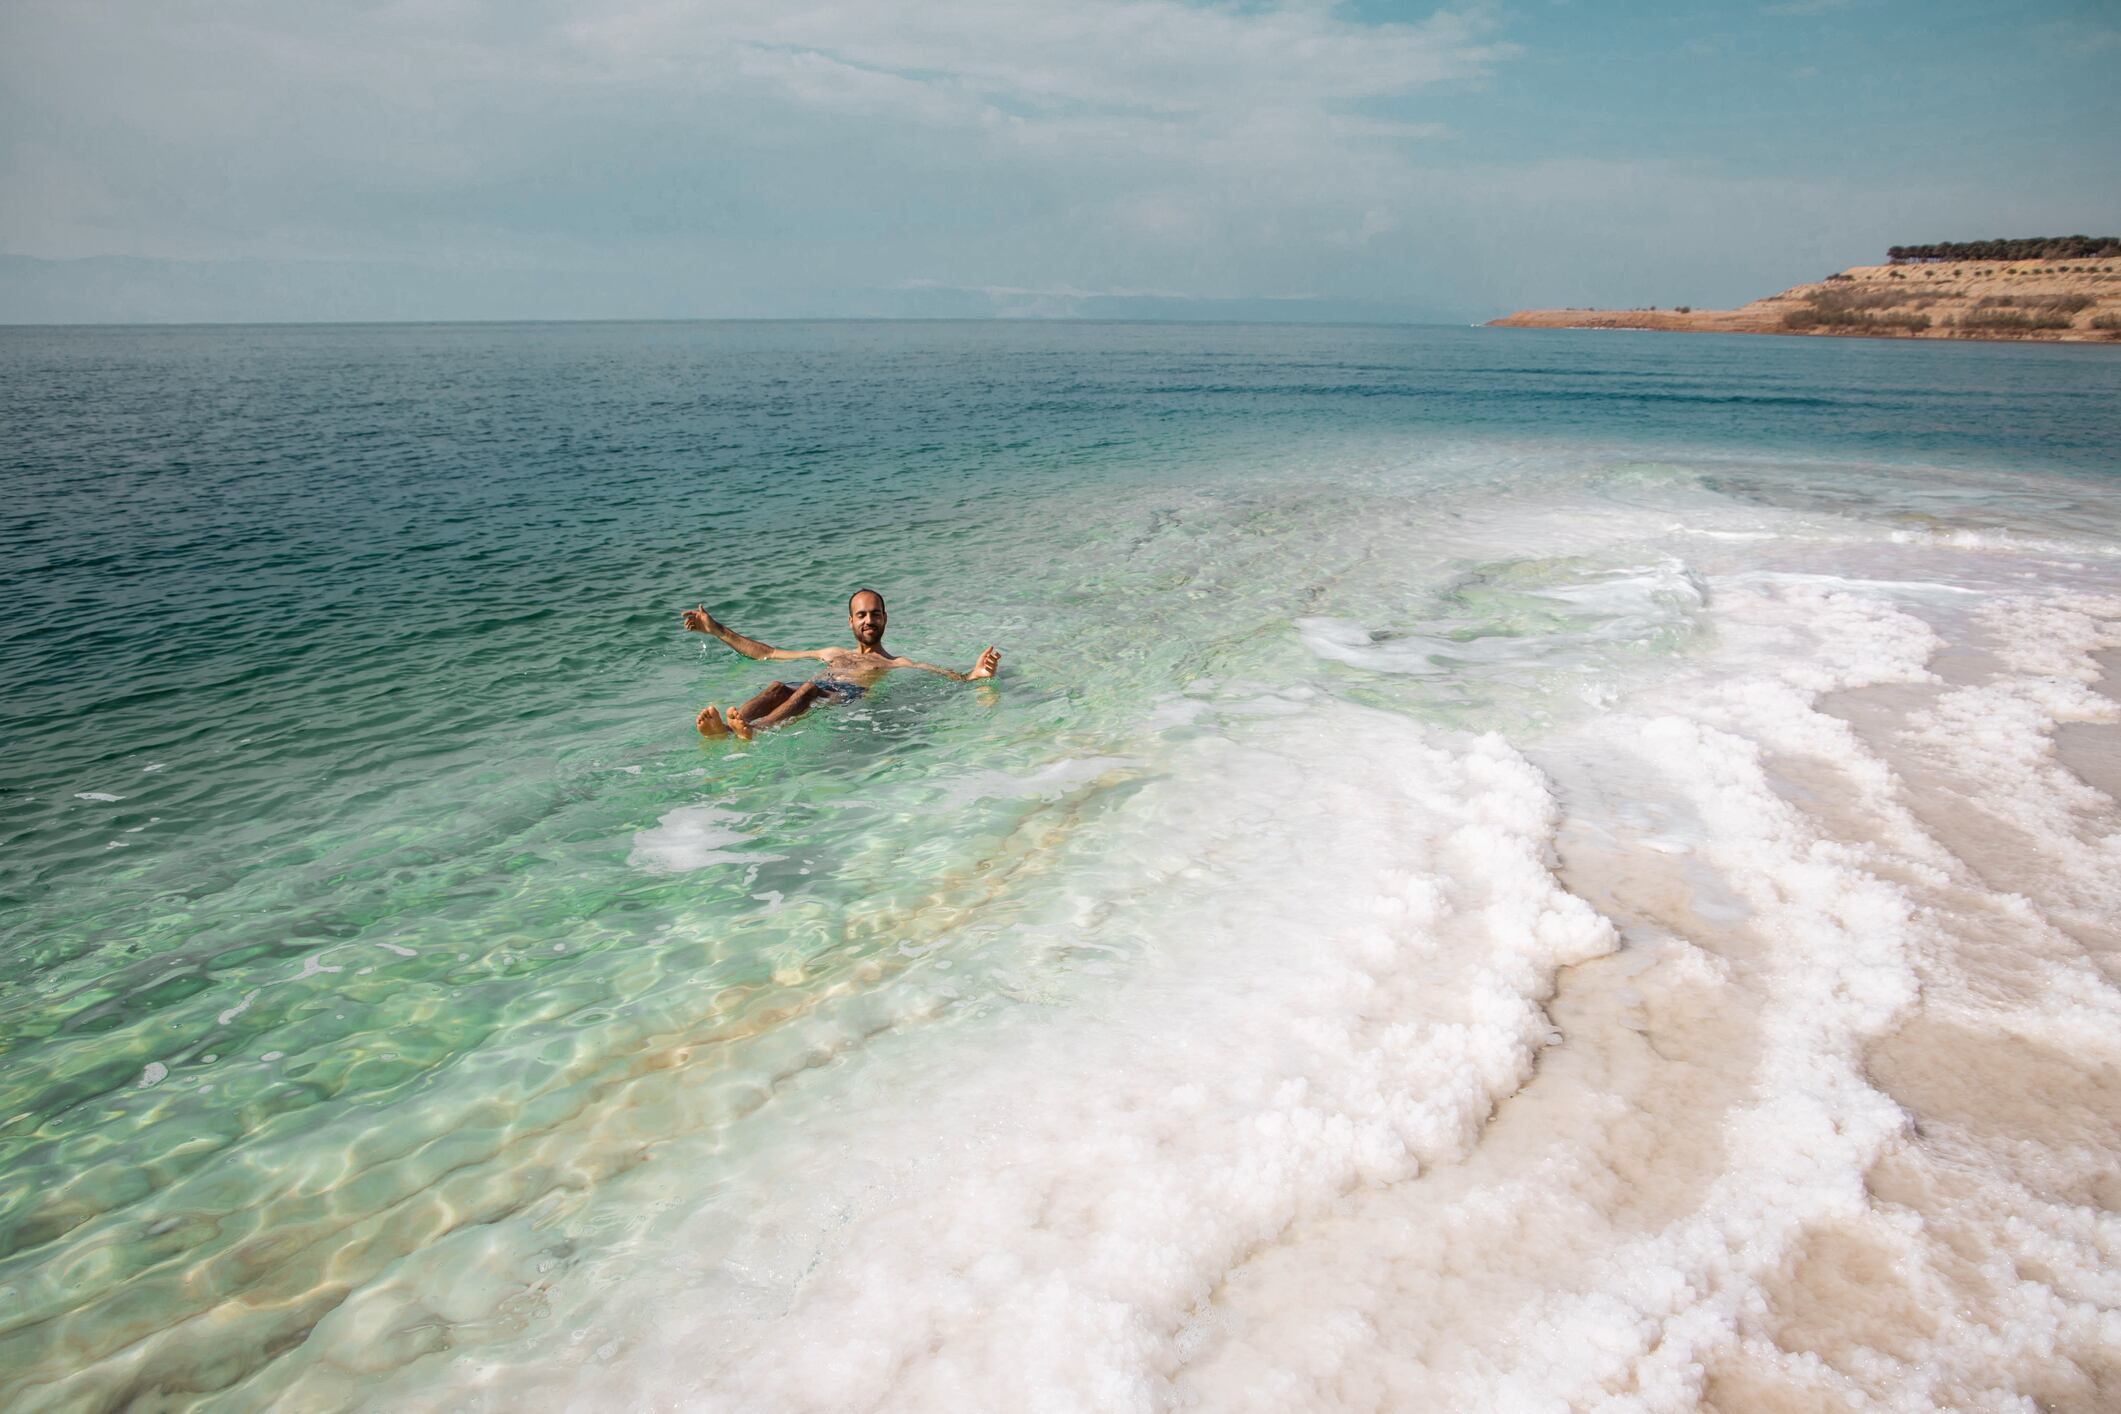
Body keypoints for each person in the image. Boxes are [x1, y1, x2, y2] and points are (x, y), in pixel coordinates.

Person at [683, 589, 1000, 740]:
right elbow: (768, 653)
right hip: (817, 686)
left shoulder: (894, 662)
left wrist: (973, 675)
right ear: (851, 621)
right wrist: (716, 629)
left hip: (846, 694)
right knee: (777, 687)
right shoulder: (831, 653)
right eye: (861, 615)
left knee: (808, 689)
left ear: (885, 619)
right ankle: (728, 729)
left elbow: (943, 675)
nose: (869, 620)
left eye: (875, 614)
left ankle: (752, 731)